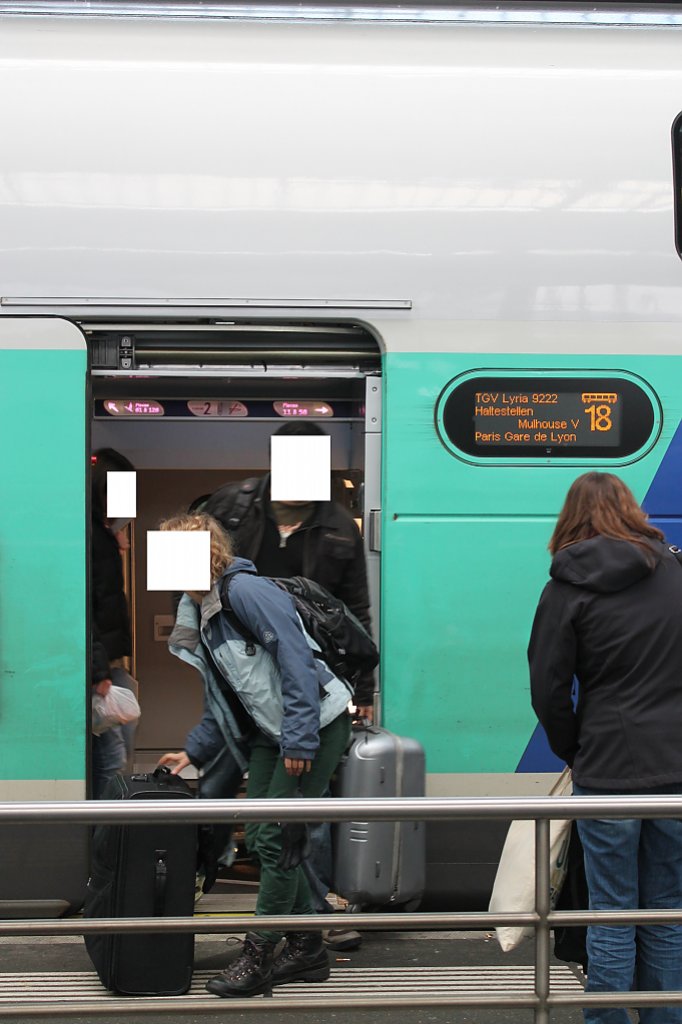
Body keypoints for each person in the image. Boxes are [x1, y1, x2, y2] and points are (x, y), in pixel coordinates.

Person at [158, 512, 353, 998]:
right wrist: (193, 751)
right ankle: (307, 946)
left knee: (278, 837)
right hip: (271, 733)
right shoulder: (202, 610)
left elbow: (296, 659)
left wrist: (301, 738)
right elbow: (227, 698)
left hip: (315, 725)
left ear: (207, 554)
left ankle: (260, 953)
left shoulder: (245, 592)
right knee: (267, 836)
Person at [197, 420, 375, 947]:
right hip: (248, 687)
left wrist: (362, 690)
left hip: (305, 687)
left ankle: (301, 925)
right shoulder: (234, 505)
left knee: (292, 817)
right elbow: (200, 576)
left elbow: (353, 611)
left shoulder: (337, 524)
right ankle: (197, 885)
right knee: (227, 798)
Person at [528, 472, 682, 1024]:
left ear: (571, 518)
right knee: (666, 911)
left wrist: (574, 749)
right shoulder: (675, 573)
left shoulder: (565, 587)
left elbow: (548, 688)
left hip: (608, 766)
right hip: (676, 768)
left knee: (611, 911)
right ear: (631, 511)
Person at [91, 448, 139, 798]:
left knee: (117, 752)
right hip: (98, 666)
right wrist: (98, 671)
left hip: (107, 663)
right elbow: (85, 608)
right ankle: (102, 831)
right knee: (112, 759)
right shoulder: (91, 537)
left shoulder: (101, 534)